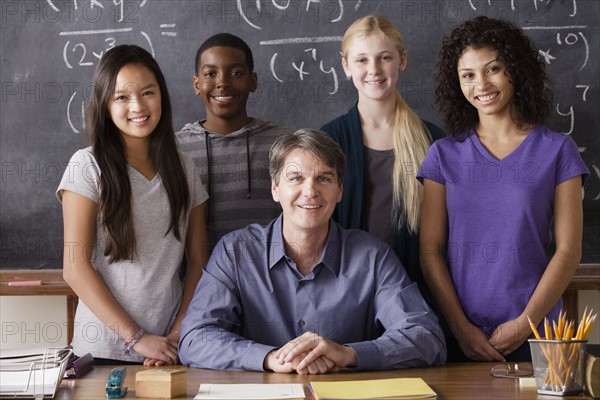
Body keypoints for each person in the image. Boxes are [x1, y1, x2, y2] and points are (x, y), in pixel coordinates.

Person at [179, 129, 446, 373]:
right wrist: (271, 358)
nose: (310, 192)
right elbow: (194, 338)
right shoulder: (235, 252)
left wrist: (348, 354)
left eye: (324, 178)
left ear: (339, 190)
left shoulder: (373, 257)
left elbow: (427, 337)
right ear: (275, 188)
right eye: (296, 178)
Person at [418, 16, 589, 362]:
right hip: (461, 338)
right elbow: (430, 251)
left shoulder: (557, 150)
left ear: (515, 70)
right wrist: (460, 327)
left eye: (493, 69)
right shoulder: (443, 155)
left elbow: (569, 250)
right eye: (468, 75)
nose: (481, 84)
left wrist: (525, 324)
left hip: (540, 335)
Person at [57, 44, 209, 365]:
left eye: (148, 92)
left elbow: (198, 261)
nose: (138, 105)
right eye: (122, 97)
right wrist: (137, 338)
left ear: (162, 97)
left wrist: (178, 333)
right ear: (105, 105)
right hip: (102, 352)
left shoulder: (184, 167)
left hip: (169, 349)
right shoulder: (87, 165)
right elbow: (75, 267)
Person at [320, 15, 442, 302]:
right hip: (344, 295)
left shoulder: (432, 140)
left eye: (384, 57)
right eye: (361, 60)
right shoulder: (328, 140)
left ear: (402, 60)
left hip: (415, 297)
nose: (373, 69)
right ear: (346, 66)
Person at [176, 33, 291, 250]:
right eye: (211, 73)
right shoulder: (173, 149)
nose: (222, 83)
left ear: (253, 81)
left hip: (268, 278)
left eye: (236, 73)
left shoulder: (284, 144)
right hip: (196, 280)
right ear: (196, 84)